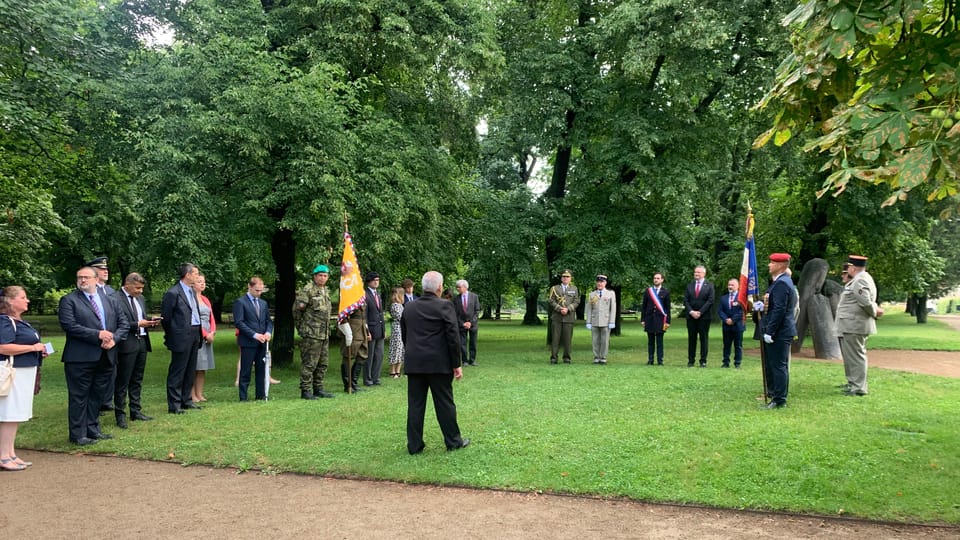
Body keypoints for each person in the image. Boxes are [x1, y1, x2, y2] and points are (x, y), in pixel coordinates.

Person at [59, 266, 130, 444]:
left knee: (98, 395)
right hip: (80, 357)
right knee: (79, 396)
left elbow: (124, 324)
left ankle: (93, 429)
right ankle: (78, 434)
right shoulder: (69, 300)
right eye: (79, 277)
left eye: (86, 277)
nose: (82, 280)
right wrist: (97, 334)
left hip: (106, 356)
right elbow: (69, 325)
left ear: (96, 279)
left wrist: (114, 338)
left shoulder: (109, 300)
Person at [402, 271, 469, 454]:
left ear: (423, 287)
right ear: (439, 287)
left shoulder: (409, 307)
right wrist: (457, 364)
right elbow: (453, 337)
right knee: (444, 403)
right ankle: (453, 441)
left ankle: (414, 446)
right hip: (439, 364)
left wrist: (413, 352)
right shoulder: (445, 306)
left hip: (415, 363)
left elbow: (404, 335)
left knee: (415, 405)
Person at [0, 286, 48, 470]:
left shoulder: (18, 321)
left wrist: (39, 351)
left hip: (24, 372)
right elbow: (3, 347)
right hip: (13, 372)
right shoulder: (5, 321)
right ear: (11, 301)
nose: (27, 300)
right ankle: (4, 456)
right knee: (9, 413)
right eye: (23, 297)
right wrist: (33, 348)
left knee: (16, 414)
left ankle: (10, 452)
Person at [113, 273, 159, 429]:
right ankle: (120, 414)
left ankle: (135, 410)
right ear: (127, 284)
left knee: (137, 379)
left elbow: (141, 317)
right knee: (122, 380)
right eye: (137, 288)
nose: (140, 291)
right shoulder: (116, 298)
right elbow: (118, 322)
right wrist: (137, 324)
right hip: (127, 343)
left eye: (142, 288)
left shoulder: (140, 299)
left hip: (142, 342)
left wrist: (150, 321)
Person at [835, 255, 883, 396]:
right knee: (851, 356)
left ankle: (858, 388)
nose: (847, 270)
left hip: (855, 324)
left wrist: (875, 312)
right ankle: (853, 383)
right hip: (851, 324)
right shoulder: (861, 279)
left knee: (856, 356)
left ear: (853, 267)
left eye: (848, 267)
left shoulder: (860, 280)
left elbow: (865, 302)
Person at [160, 262, 203, 414]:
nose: (198, 276)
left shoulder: (192, 291)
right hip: (180, 336)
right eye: (196, 273)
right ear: (188, 275)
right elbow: (166, 318)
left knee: (190, 369)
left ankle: (186, 400)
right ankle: (174, 404)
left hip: (194, 334)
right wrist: (173, 334)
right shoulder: (173, 293)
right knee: (178, 370)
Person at [759, 253, 798, 409]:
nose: (769, 265)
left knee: (778, 366)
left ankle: (780, 399)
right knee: (776, 365)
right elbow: (775, 306)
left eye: (772, 262)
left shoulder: (782, 283)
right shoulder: (781, 282)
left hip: (780, 331)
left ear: (781, 265)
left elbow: (779, 310)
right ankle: (776, 396)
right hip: (780, 330)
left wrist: (770, 331)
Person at [293, 264, 334, 399]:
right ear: (315, 276)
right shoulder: (307, 290)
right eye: (320, 275)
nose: (322, 278)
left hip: (324, 334)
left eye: (325, 276)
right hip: (311, 334)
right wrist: (302, 329)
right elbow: (297, 311)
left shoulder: (325, 291)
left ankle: (318, 388)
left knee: (323, 363)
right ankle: (305, 390)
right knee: (310, 363)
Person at [234, 276, 273, 401]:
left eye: (261, 290)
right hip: (248, 341)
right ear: (249, 287)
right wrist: (254, 335)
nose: (259, 293)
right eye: (257, 290)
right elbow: (239, 322)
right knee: (246, 370)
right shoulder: (240, 302)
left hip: (262, 342)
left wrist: (268, 332)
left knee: (261, 369)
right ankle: (243, 396)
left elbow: (268, 321)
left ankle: (260, 395)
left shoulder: (263, 303)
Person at [683, 265, 715, 367]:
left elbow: (710, 301)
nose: (696, 274)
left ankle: (703, 361)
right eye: (695, 272)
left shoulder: (709, 286)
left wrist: (700, 312)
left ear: (704, 274)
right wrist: (691, 311)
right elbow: (686, 300)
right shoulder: (690, 285)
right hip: (691, 317)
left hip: (704, 317)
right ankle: (691, 361)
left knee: (703, 339)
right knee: (692, 339)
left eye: (699, 272)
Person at [191, 274, 215, 403]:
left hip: (208, 334)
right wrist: (205, 334)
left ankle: (199, 393)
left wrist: (212, 332)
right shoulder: (191, 299)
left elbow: (212, 318)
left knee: (203, 367)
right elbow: (195, 319)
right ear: (193, 283)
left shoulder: (205, 299)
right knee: (195, 365)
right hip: (197, 334)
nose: (202, 284)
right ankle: (192, 394)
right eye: (199, 281)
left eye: (203, 282)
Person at [547, 270, 580, 364]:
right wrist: (560, 308)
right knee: (555, 339)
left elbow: (577, 301)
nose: (565, 278)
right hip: (557, 317)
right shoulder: (555, 288)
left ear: (570, 278)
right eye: (564, 276)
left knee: (567, 339)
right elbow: (551, 300)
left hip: (569, 317)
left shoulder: (574, 288)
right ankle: (554, 358)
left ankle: (566, 357)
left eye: (567, 277)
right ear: (561, 278)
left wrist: (568, 309)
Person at [584, 275, 616, 365]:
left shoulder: (610, 294)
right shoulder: (592, 294)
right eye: (598, 282)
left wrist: (612, 321)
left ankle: (603, 357)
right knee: (595, 340)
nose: (599, 283)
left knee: (605, 340)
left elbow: (613, 308)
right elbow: (589, 308)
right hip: (594, 320)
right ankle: (596, 357)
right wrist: (588, 321)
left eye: (601, 282)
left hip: (606, 321)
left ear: (605, 283)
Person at [640, 272, 671, 365]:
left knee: (660, 342)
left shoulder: (666, 292)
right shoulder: (648, 291)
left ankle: (660, 360)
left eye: (658, 278)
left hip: (661, 320)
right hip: (649, 319)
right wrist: (643, 319)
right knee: (650, 341)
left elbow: (668, 308)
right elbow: (644, 306)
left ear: (662, 280)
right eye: (654, 278)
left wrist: (668, 321)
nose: (656, 280)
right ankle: (650, 360)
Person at [718, 278, 745, 369]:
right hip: (726, 326)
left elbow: (742, 311)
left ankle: (737, 363)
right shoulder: (723, 298)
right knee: (726, 345)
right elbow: (720, 311)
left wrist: (733, 320)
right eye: (729, 285)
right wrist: (726, 319)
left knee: (738, 345)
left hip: (738, 325)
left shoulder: (742, 298)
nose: (730, 287)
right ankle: (725, 362)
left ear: (738, 286)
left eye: (732, 285)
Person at [363, 272, 385, 386]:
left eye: (378, 279)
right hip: (370, 330)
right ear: (369, 281)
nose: (376, 282)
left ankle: (376, 377)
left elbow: (380, 313)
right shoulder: (365, 295)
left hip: (379, 329)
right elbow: (364, 316)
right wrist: (366, 331)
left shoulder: (378, 294)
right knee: (369, 356)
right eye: (374, 280)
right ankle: (368, 379)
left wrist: (384, 330)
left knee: (379, 354)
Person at [454, 279, 481, 366]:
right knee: (462, 343)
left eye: (459, 287)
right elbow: (455, 314)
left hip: (473, 325)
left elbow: (477, 311)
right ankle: (465, 360)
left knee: (473, 343)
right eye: (456, 287)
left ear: (465, 287)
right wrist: (463, 323)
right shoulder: (456, 299)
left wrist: (470, 323)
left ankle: (472, 360)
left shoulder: (474, 297)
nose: (457, 289)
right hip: (461, 325)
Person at [387, 287, 405, 378]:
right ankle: (392, 371)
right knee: (395, 348)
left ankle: (398, 370)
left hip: (402, 327)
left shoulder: (400, 305)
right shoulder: (394, 305)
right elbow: (399, 316)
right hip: (397, 328)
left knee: (401, 349)